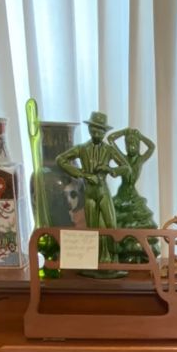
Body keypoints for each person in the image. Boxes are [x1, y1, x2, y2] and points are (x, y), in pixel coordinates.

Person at [55, 111, 128, 271]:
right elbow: (60, 159)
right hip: (89, 192)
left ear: (105, 132)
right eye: (94, 129)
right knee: (93, 228)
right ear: (89, 129)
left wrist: (109, 169)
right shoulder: (82, 149)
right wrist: (82, 174)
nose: (97, 133)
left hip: (103, 191)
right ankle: (95, 262)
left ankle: (113, 258)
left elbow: (126, 167)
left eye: (100, 130)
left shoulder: (109, 150)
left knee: (110, 224)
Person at [108, 127, 157, 263]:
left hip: (133, 194)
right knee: (121, 220)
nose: (132, 146)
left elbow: (152, 146)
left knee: (141, 220)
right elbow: (110, 139)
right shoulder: (122, 159)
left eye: (135, 144)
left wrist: (140, 135)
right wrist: (123, 132)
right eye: (129, 144)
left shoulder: (140, 159)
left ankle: (140, 254)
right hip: (123, 193)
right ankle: (121, 254)